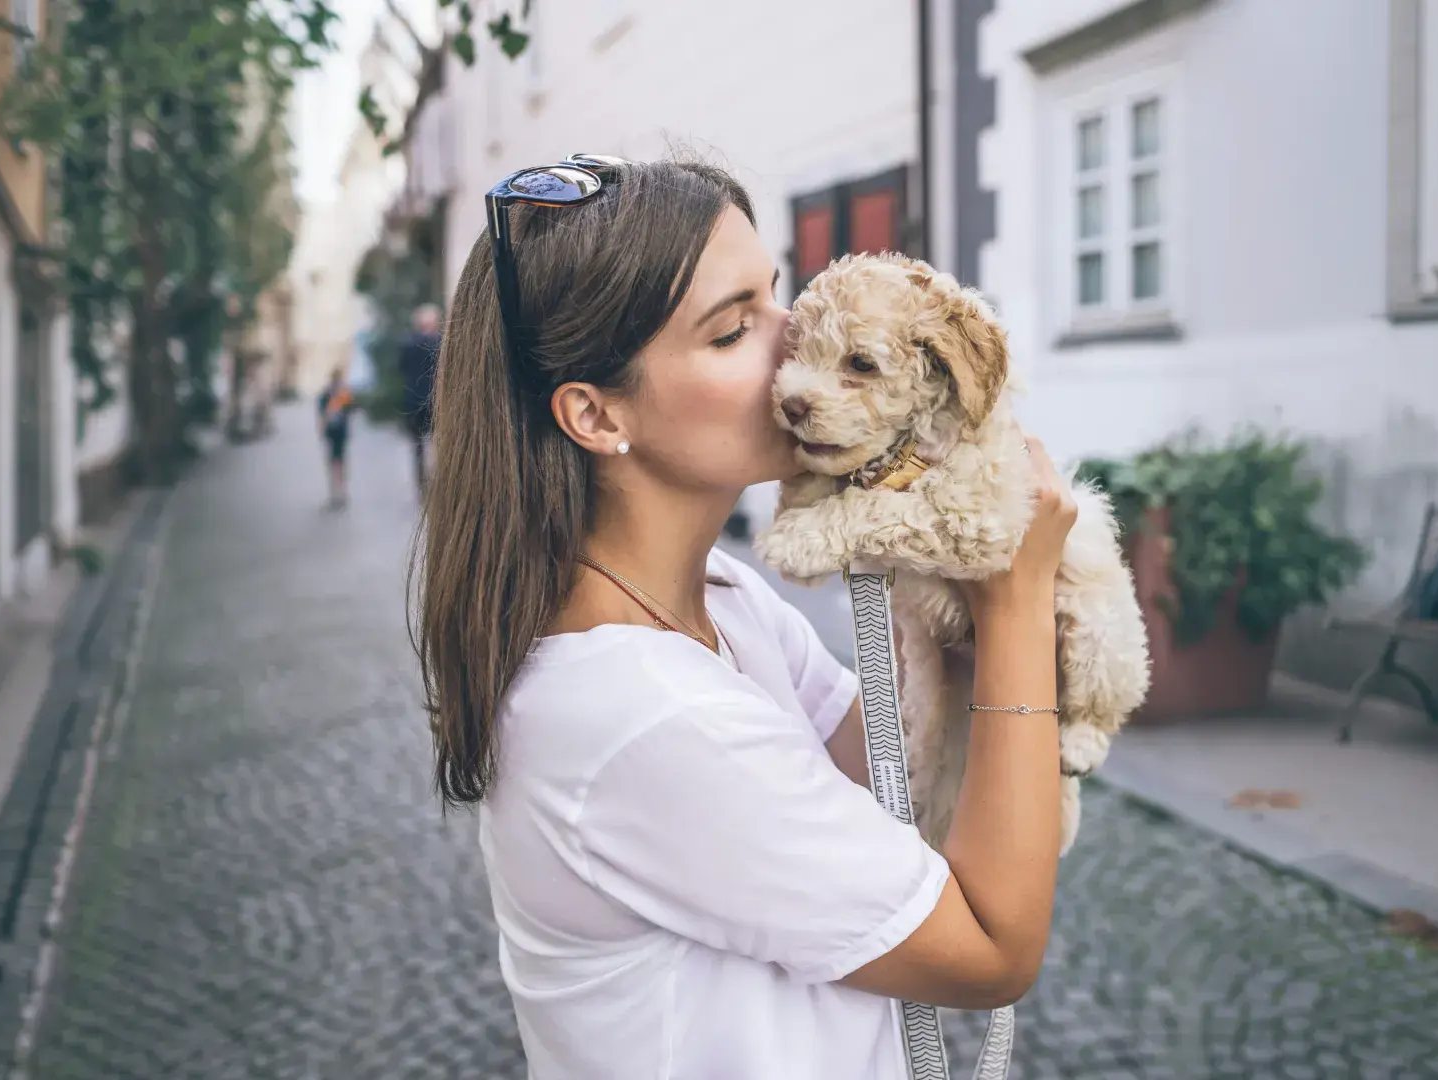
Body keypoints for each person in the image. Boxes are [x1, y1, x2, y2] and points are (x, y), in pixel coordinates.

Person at [412, 157, 1076, 1078]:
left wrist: (951, 536)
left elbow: (904, 788)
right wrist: (1015, 600)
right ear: (596, 417)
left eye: (775, 296)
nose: (791, 337)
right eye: (733, 331)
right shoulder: (642, 713)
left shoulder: (721, 598)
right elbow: (992, 951)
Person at [398, 303, 442, 496]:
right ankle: (437, 481)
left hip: (413, 400)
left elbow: (401, 369)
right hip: (435, 400)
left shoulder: (408, 344)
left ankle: (421, 486)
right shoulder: (440, 343)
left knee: (417, 446)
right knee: (437, 441)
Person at [316, 367, 354, 507]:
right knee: (340, 461)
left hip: (332, 432)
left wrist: (321, 429)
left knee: (334, 462)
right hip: (340, 432)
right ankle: (341, 492)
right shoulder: (344, 392)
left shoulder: (328, 393)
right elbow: (350, 411)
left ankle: (335, 493)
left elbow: (322, 414)